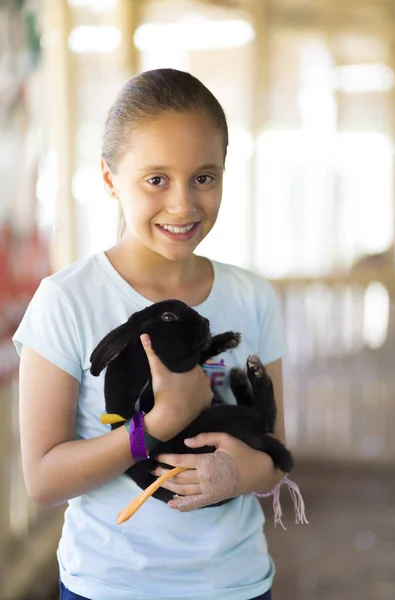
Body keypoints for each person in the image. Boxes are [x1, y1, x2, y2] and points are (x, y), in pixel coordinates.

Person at [13, 68, 289, 600]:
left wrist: (240, 474)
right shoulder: (66, 300)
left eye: (204, 177)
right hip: (111, 586)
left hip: (238, 584)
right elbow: (43, 481)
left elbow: (276, 455)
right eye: (156, 179)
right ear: (110, 177)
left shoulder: (254, 297)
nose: (183, 204)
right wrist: (157, 423)